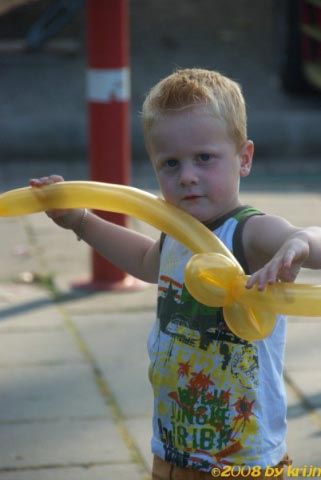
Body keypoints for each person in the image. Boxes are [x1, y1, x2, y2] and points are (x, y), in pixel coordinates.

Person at [30, 68, 321, 479]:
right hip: (173, 450)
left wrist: (299, 245)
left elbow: (311, 240)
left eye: (204, 158)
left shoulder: (249, 232)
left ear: (244, 158)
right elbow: (148, 261)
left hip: (241, 461)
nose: (187, 175)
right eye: (170, 163)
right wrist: (80, 220)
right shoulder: (178, 234)